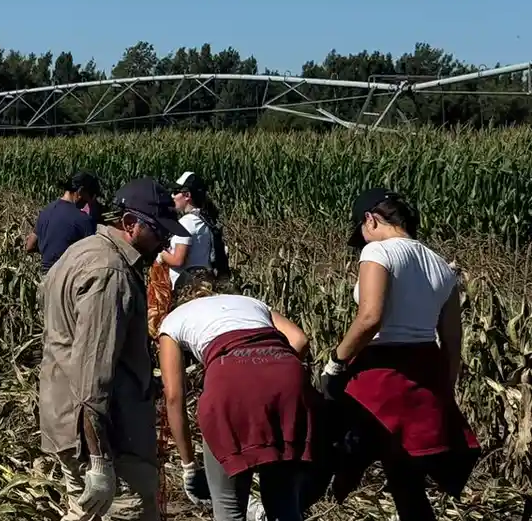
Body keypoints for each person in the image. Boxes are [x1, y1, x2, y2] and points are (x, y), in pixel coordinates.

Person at [319, 190, 479, 521]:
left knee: (335, 452)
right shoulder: (441, 265)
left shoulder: (377, 251)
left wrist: (336, 362)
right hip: (423, 374)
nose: (362, 242)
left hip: (379, 376)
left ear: (370, 220)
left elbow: (369, 318)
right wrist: (445, 390)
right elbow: (452, 339)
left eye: (361, 233)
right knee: (406, 481)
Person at [39, 177, 189, 521]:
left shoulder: (81, 251)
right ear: (130, 223)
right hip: (111, 437)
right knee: (130, 512)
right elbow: (93, 373)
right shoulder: (110, 273)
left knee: (84, 512)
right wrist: (100, 461)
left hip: (67, 419)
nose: (165, 241)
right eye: (158, 231)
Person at [158, 274, 320, 521]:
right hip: (286, 379)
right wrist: (266, 373)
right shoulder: (250, 302)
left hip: (229, 385)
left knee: (229, 508)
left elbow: (173, 396)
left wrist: (189, 466)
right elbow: (300, 340)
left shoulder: (173, 320)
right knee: (284, 503)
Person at [27, 171, 104, 272]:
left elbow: (29, 246)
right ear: (81, 190)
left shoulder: (47, 210)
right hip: (66, 276)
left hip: (44, 276)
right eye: (91, 196)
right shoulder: (84, 220)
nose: (89, 202)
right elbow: (94, 257)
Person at [161, 172, 226, 287]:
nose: (172, 196)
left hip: (185, 287)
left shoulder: (187, 222)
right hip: (203, 282)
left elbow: (178, 261)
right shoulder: (204, 219)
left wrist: (160, 253)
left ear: (187, 195)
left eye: (175, 192)